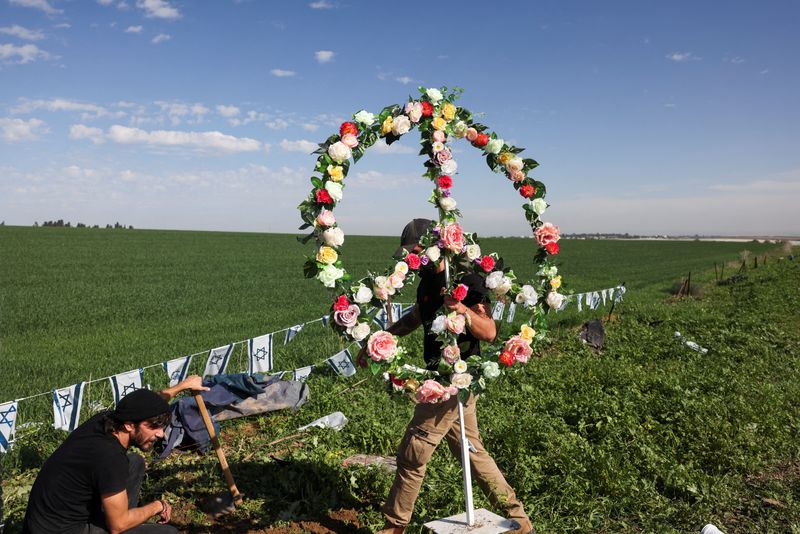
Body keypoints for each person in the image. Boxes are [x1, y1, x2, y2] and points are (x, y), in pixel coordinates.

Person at [370, 219, 533, 534]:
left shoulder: (467, 281)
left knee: (413, 453)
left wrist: (462, 309)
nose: (412, 260)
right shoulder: (427, 281)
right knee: (473, 455)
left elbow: (488, 332)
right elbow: (418, 316)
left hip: (453, 380)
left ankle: (395, 526)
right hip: (443, 379)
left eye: (416, 252)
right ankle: (521, 523)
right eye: (409, 255)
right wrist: (383, 338)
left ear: (436, 246)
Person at [23, 375, 208, 534]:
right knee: (169, 533)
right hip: (63, 531)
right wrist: (157, 506)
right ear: (129, 425)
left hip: (46, 518)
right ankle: (125, 518)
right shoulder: (109, 458)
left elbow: (148, 405)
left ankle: (124, 517)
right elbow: (117, 526)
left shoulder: (106, 420)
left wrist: (181, 386)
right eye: (153, 427)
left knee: (134, 462)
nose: (160, 434)